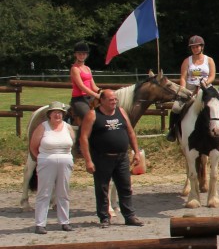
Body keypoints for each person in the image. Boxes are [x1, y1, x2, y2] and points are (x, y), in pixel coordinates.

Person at [79, 89, 144, 227]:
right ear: (102, 100)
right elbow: (84, 137)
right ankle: (104, 217)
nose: (114, 102)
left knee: (125, 186)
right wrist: (88, 160)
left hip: (122, 157)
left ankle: (129, 216)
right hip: (102, 157)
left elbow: (130, 132)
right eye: (110, 100)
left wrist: (136, 152)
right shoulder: (93, 115)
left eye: (115, 99)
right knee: (102, 188)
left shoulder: (121, 112)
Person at [169, 35, 219, 140]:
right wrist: (183, 88)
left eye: (197, 46)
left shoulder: (209, 60)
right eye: (193, 47)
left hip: (207, 87)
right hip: (190, 87)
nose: (195, 49)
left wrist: (205, 83)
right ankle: (172, 130)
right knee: (176, 107)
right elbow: (183, 77)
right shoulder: (187, 61)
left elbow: (212, 76)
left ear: (202, 47)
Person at [29, 101, 75, 233]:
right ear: (49, 114)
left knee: (63, 192)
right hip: (46, 160)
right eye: (55, 112)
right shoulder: (43, 127)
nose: (57, 115)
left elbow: (71, 143)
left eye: (60, 112)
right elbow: (33, 146)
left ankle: (64, 221)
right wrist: (42, 159)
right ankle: (40, 223)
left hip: (65, 160)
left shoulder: (68, 127)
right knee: (44, 192)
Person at [69, 42, 99, 123]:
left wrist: (102, 92)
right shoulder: (75, 69)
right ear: (75, 54)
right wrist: (96, 95)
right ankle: (83, 135)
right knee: (88, 117)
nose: (82, 56)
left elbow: (93, 86)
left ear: (87, 55)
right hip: (79, 99)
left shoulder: (88, 68)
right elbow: (81, 86)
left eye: (84, 54)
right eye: (79, 54)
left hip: (90, 97)